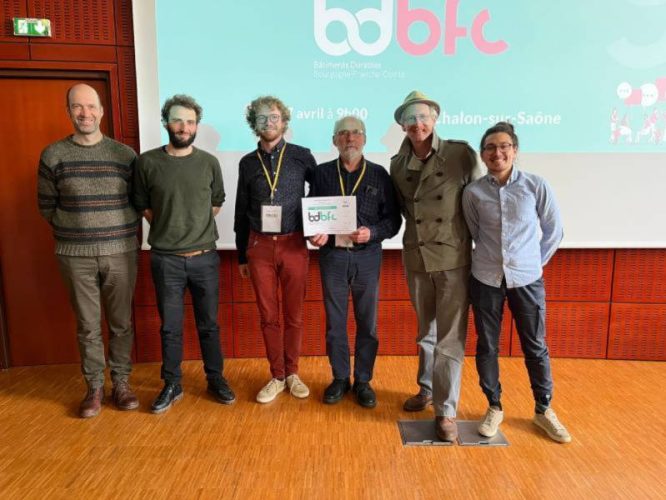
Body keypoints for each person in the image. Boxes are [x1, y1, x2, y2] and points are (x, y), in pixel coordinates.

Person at [462, 122, 571, 443]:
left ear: (515, 150)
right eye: (491, 148)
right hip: (486, 278)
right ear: (482, 155)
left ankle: (544, 408)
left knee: (535, 346)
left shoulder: (536, 186)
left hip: (527, 279)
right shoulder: (473, 192)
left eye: (504, 146)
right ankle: (494, 405)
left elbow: (554, 230)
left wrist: (533, 264)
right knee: (487, 346)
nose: (498, 153)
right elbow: (474, 233)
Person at [37, 83, 139, 418]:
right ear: (68, 112)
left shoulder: (125, 156)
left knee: (121, 323)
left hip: (120, 251)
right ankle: (94, 386)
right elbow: (46, 206)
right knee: (87, 325)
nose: (85, 113)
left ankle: (121, 383)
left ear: (102, 111)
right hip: (74, 254)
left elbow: (138, 203)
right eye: (78, 107)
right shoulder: (53, 155)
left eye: (91, 107)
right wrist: (77, 230)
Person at [133, 94, 235, 414]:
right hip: (166, 260)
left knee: (209, 325)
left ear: (196, 126)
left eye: (190, 122)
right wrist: (170, 227)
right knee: (170, 327)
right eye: (178, 120)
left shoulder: (208, 162)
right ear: (166, 123)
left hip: (205, 258)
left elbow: (215, 202)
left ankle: (215, 378)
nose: (184, 127)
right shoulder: (147, 162)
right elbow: (143, 206)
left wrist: (193, 227)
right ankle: (172, 383)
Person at [390, 90, 482, 441]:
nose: (418, 124)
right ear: (402, 124)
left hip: (453, 258)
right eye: (411, 118)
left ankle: (446, 411)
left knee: (450, 339)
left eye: (424, 117)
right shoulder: (397, 165)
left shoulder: (460, 154)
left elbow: (476, 202)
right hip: (416, 257)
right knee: (424, 332)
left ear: (435, 119)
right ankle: (426, 388)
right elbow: (403, 211)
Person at [309, 116, 401, 408]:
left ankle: (363, 380)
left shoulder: (379, 174)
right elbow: (311, 214)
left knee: (367, 323)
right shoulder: (321, 174)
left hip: (367, 257)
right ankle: (339, 378)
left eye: (356, 133)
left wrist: (371, 232)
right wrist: (313, 235)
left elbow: (393, 221)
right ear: (334, 140)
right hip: (332, 256)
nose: (350, 138)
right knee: (335, 323)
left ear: (365, 139)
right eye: (343, 133)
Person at [234, 96, 316, 403]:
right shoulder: (246, 162)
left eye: (274, 117)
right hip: (259, 246)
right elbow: (241, 209)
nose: (269, 123)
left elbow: (319, 195)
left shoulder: (301, 156)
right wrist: (242, 253)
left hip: (294, 244)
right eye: (262, 118)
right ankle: (277, 375)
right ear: (253, 123)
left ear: (284, 121)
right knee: (269, 315)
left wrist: (319, 229)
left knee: (294, 314)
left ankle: (293, 373)